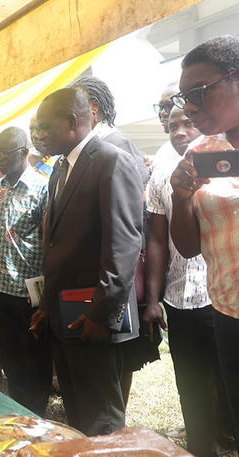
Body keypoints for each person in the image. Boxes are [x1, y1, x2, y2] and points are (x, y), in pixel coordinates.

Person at [30, 88, 143, 436]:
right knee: (77, 412)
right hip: (64, 315)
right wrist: (47, 306)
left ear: (74, 122)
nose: (38, 136)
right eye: (36, 129)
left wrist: (102, 314)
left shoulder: (111, 161)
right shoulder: (60, 168)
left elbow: (123, 245)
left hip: (93, 317)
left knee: (102, 419)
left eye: (45, 128)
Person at [144, 105, 227, 457]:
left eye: (188, 122)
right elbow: (157, 241)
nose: (179, 131)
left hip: (222, 294)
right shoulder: (161, 177)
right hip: (181, 297)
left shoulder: (227, 170)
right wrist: (152, 299)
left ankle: (225, 434)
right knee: (190, 379)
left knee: (226, 377)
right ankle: (201, 453)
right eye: (173, 124)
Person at [71, 75, 161, 404]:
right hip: (100, 265)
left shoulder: (116, 146)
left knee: (120, 346)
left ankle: (116, 415)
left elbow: (129, 219)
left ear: (93, 108)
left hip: (120, 269)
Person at [169, 35, 239, 453]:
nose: (189, 106)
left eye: (199, 92)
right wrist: (180, 198)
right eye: (184, 96)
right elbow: (189, 246)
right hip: (228, 311)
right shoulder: (199, 152)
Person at [0, 127, 51, 415]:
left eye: (5, 153)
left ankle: (36, 417)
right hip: (0, 291)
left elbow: (51, 244)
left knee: (34, 363)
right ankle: (19, 415)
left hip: (29, 294)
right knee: (10, 359)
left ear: (24, 152)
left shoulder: (43, 188)